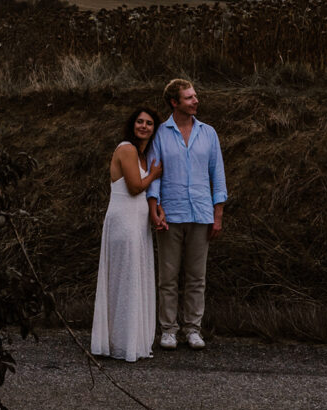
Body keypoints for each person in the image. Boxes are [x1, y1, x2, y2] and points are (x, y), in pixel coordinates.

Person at [147, 79, 227, 350]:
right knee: (168, 277)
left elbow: (218, 175)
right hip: (171, 214)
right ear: (174, 102)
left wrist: (218, 214)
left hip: (201, 213)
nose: (196, 101)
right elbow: (154, 174)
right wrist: (155, 208)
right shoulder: (160, 133)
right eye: (190, 97)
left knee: (196, 277)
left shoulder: (209, 133)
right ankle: (168, 329)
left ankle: (193, 329)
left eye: (195, 96)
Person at [91, 107, 163, 362]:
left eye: (149, 123)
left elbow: (143, 193)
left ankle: (130, 339)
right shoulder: (127, 149)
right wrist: (155, 174)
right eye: (140, 122)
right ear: (132, 125)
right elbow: (134, 188)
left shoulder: (142, 155)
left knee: (134, 278)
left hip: (137, 223)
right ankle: (120, 342)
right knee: (125, 279)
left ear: (154, 129)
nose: (144, 126)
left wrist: (157, 210)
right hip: (124, 221)